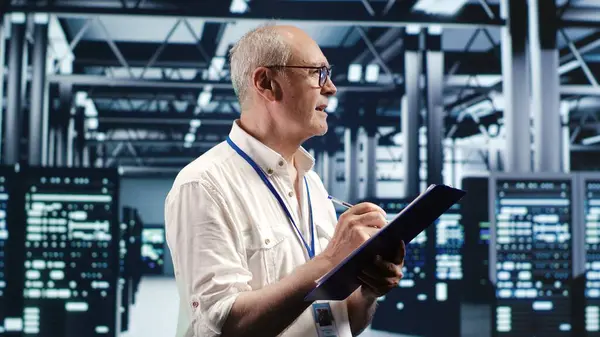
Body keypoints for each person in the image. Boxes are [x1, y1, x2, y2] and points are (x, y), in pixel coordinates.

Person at [164, 22, 406, 337]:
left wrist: (369, 290)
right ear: (266, 82)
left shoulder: (313, 185)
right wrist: (330, 259)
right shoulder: (204, 185)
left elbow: (341, 321)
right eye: (317, 73)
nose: (331, 87)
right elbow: (223, 327)